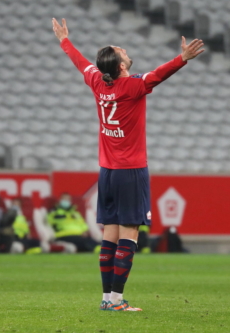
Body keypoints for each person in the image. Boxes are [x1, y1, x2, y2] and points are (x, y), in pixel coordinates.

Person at [53, 17, 204, 311]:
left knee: (109, 235)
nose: (124, 49)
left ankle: (107, 299)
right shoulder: (132, 87)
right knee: (129, 234)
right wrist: (182, 59)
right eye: (121, 50)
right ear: (121, 65)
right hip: (131, 171)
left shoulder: (98, 82)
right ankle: (118, 300)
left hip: (106, 172)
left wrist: (64, 41)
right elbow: (158, 75)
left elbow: (80, 62)